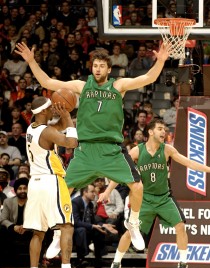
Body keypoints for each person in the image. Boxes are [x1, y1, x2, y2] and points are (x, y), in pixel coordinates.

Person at [15, 41, 170, 252]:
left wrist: (160, 60)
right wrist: (31, 61)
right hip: (85, 150)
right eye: (95, 65)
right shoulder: (81, 86)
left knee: (138, 187)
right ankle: (59, 233)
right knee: (63, 190)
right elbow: (49, 82)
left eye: (101, 66)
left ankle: (133, 223)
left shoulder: (118, 86)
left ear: (108, 69)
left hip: (111, 150)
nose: (98, 69)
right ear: (92, 68)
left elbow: (148, 78)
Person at [98, 119, 210, 268]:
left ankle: (183, 264)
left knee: (180, 226)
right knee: (130, 232)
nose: (164, 132)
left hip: (164, 198)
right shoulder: (138, 151)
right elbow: (121, 169)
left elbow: (189, 163)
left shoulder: (167, 150)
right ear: (150, 132)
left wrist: (208, 169)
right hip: (144, 200)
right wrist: (108, 190)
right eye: (160, 129)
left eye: (164, 129)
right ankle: (116, 264)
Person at [21, 96, 88, 268]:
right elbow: (72, 143)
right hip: (52, 181)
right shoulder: (48, 132)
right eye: (50, 108)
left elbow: (54, 128)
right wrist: (67, 117)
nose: (53, 109)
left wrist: (65, 117)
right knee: (67, 226)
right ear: (42, 111)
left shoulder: (32, 128)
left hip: (35, 184)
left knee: (38, 233)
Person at [0, 178, 32, 267]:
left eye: (25, 188)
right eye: (20, 188)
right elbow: (3, 219)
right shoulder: (8, 201)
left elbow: (37, 219)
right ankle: (5, 263)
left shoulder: (33, 202)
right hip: (13, 230)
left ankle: (38, 261)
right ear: (16, 190)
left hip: (29, 230)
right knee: (2, 231)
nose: (22, 191)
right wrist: (13, 226)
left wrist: (26, 226)